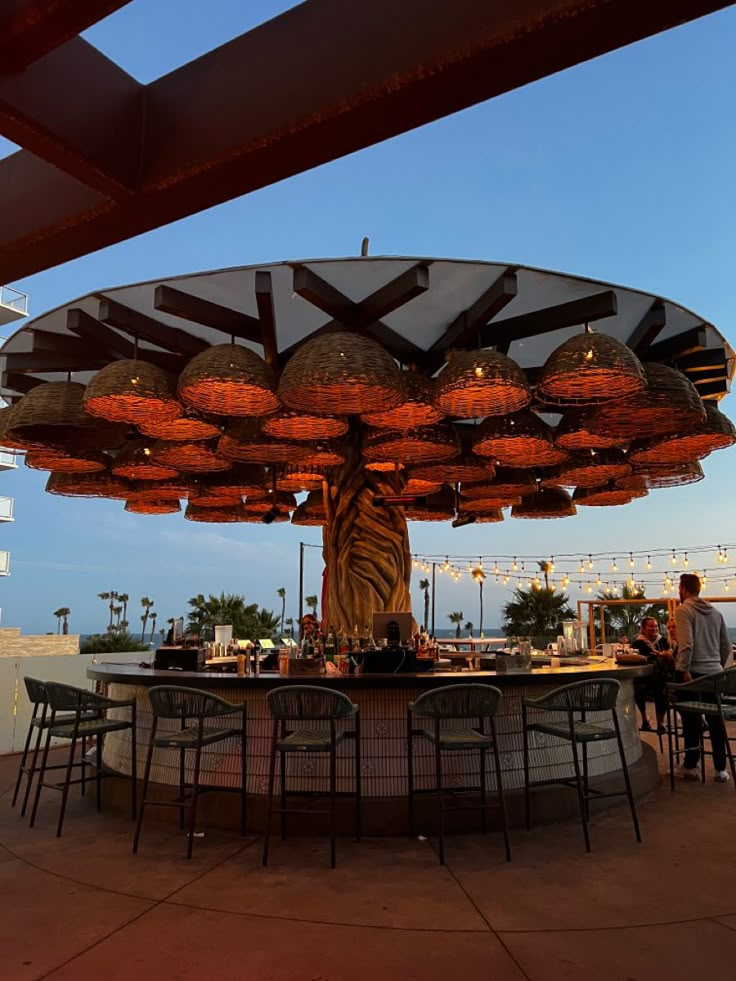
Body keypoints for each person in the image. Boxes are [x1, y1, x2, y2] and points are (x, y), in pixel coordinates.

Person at [674, 573, 732, 782]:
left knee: (691, 720)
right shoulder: (716, 613)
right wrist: (716, 663)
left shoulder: (683, 610)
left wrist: (684, 670)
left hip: (695, 674)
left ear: (683, 589)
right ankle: (720, 770)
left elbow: (687, 644)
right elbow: (726, 647)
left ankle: (691, 766)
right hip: (715, 673)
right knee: (716, 721)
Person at [629, 616, 674, 733]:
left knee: (661, 689)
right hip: (643, 677)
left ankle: (661, 722)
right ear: (643, 628)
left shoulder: (663, 641)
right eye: (650, 626)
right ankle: (645, 719)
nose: (654, 628)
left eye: (655, 626)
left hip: (660, 676)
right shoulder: (637, 643)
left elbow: (670, 656)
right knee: (638, 689)